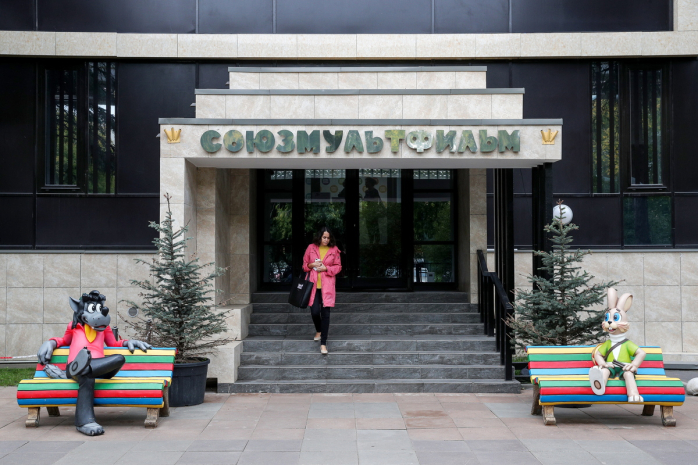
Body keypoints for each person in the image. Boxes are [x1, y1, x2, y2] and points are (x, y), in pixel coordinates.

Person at [303, 227, 342, 355]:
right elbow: (304, 266)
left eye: (328, 238)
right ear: (319, 237)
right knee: (314, 312)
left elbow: (338, 267)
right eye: (324, 237)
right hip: (313, 286)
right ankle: (318, 330)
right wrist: (311, 265)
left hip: (327, 286)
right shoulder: (311, 248)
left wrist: (326, 269)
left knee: (326, 315)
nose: (326, 240)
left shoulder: (334, 250)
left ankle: (323, 343)